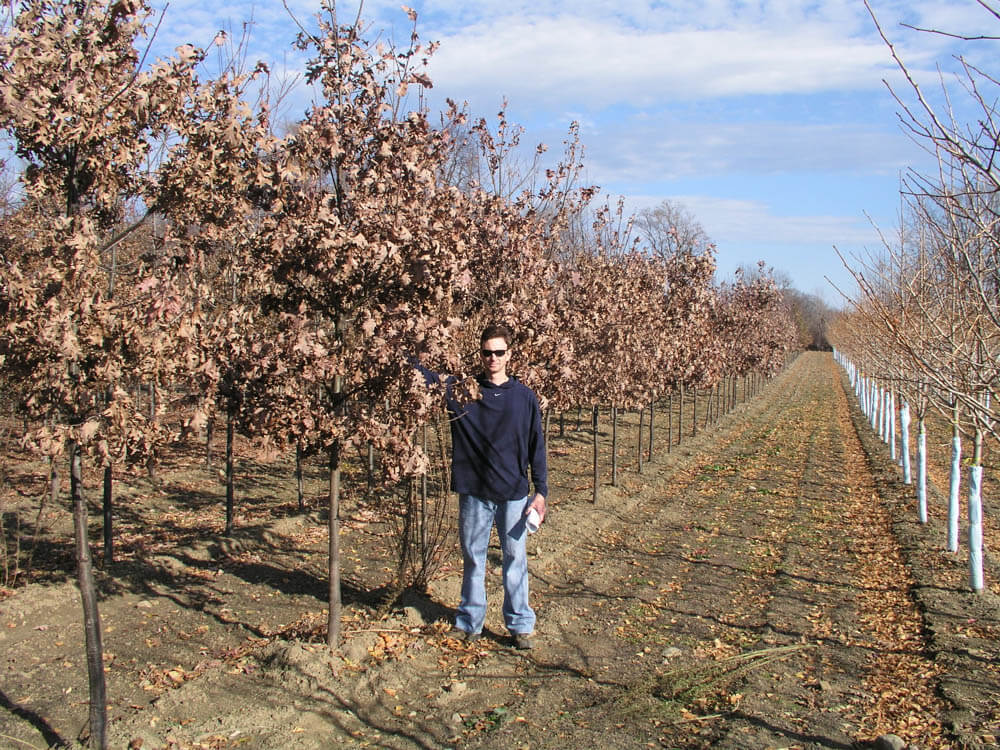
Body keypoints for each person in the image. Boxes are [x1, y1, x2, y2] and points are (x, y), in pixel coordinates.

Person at [413, 323, 547, 649]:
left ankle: (520, 626)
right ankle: (469, 622)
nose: (493, 358)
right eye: (487, 353)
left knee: (515, 560)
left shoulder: (524, 398)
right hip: (474, 492)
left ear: (509, 354)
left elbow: (536, 446)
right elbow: (426, 377)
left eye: (499, 352)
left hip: (513, 494)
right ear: (481, 354)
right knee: (474, 559)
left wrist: (541, 491)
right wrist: (401, 345)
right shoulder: (464, 392)